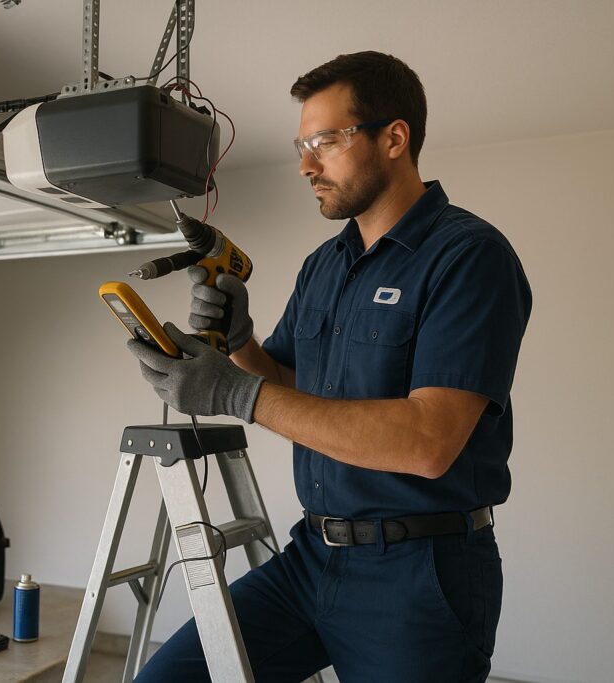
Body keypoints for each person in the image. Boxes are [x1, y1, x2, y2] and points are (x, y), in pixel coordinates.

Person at [127, 51, 532, 682]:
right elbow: (287, 382)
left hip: (419, 572)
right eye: (301, 145)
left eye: (325, 141)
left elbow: (428, 442)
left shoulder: (469, 257)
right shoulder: (326, 264)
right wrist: (240, 344)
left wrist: (235, 394)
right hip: (312, 558)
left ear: (394, 137)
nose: (306, 165)